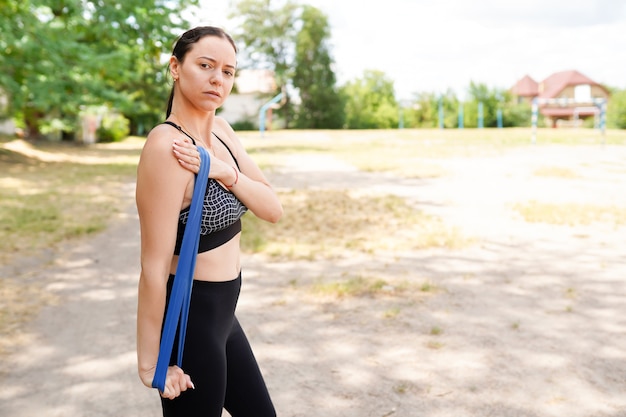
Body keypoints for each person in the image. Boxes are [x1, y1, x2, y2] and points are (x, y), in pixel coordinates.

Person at [135, 26, 283, 417]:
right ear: (176, 68)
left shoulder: (222, 132)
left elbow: (272, 208)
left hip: (224, 313)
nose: (218, 79)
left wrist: (223, 172)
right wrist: (152, 364)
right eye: (205, 65)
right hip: (191, 322)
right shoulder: (167, 146)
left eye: (228, 71)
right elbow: (152, 265)